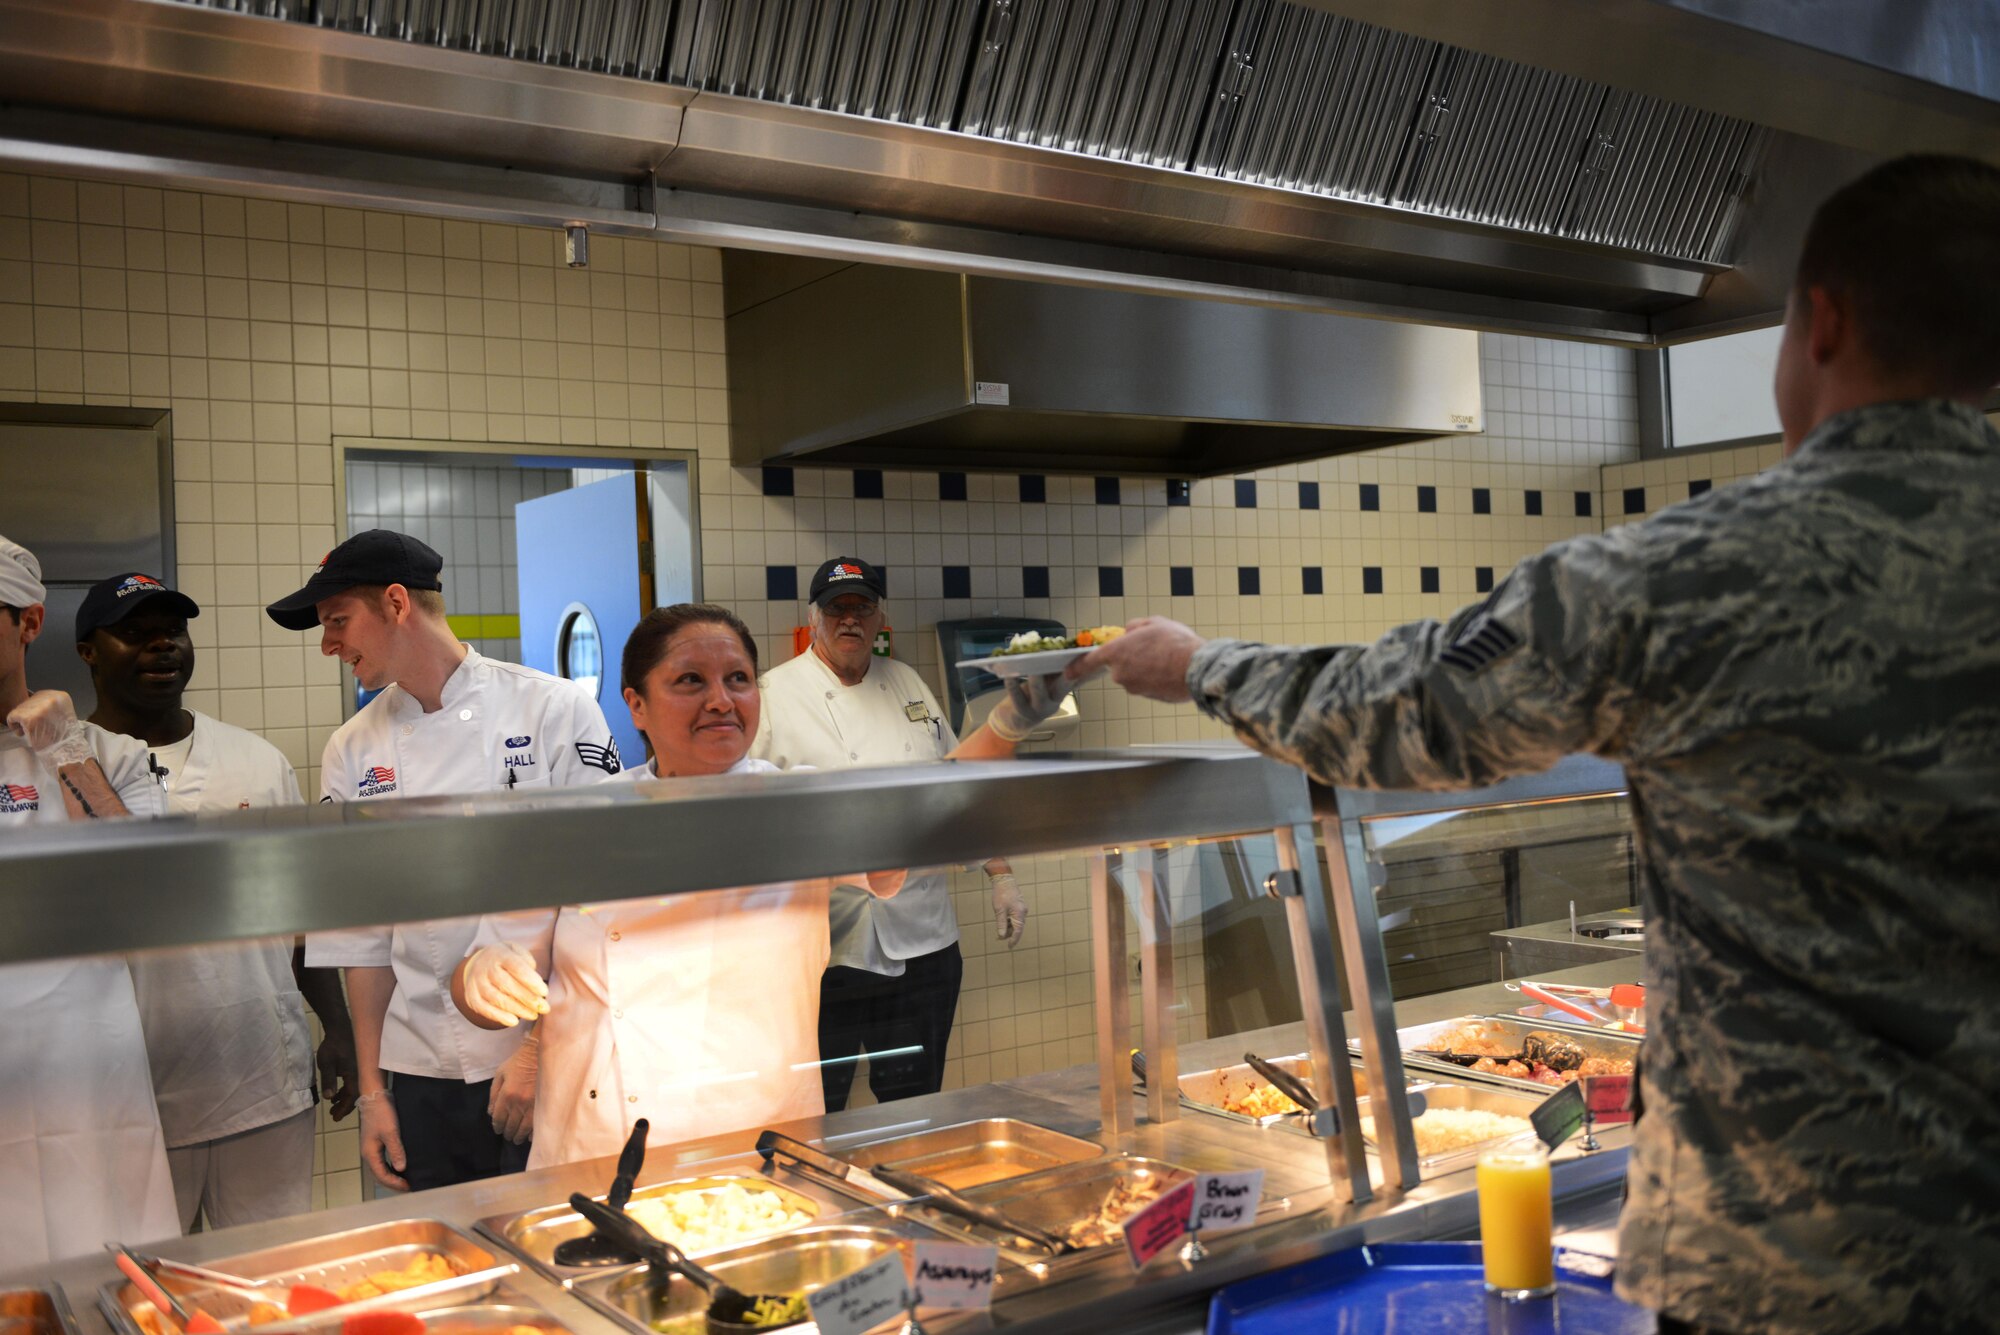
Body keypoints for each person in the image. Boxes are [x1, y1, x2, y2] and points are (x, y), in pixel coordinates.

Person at [1074, 154, 2000, 1335]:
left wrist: (1200, 664)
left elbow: (1402, 717)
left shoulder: (1686, 575)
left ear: (1821, 322)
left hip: (1792, 1271)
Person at [449, 603, 1070, 1167]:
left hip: (753, 1141)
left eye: (737, 680)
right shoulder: (581, 817)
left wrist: (1009, 722)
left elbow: (936, 806)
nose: (721, 699)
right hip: (596, 1142)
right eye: (690, 680)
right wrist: (484, 975)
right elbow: (477, 986)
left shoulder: (793, 803)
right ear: (636, 704)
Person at [268, 529, 618, 1193]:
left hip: (544, 1053)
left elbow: (598, 897)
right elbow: (360, 930)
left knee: (548, 1246)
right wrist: (373, 1091)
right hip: (418, 1067)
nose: (328, 644)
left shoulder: (554, 709)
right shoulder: (352, 747)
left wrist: (536, 1049)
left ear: (397, 603)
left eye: (338, 621)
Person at [76, 571, 359, 1231]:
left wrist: (337, 1025)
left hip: (261, 1081)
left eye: (172, 631)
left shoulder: (256, 762)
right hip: (126, 1097)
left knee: (265, 1288)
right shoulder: (64, 767)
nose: (161, 646)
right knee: (147, 1296)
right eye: (135, 634)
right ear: (89, 649)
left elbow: (300, 915)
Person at [751, 557, 1032, 1111]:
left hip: (924, 940)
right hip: (824, 949)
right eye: (836, 609)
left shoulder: (907, 682)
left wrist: (1001, 872)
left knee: (914, 1101)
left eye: (862, 608)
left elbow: (956, 786)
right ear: (813, 618)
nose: (849, 620)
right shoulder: (770, 695)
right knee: (812, 1105)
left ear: (881, 617)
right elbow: (744, 815)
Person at [0, 535, 179, 1262]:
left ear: (29, 622)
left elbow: (146, 895)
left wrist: (64, 749)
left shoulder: (110, 756)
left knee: (104, 1269)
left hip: (87, 1078)